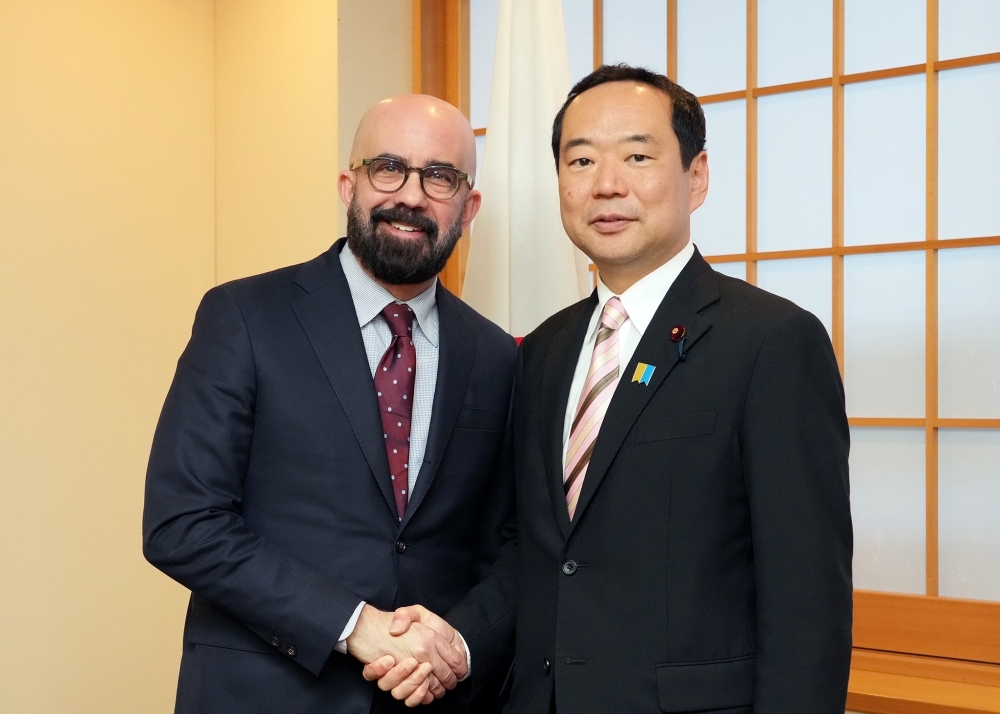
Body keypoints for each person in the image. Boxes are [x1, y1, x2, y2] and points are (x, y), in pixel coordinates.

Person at [370, 64, 853, 713]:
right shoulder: (542, 351)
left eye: (637, 155)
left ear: (697, 176)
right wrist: (457, 642)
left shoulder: (772, 342)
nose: (606, 184)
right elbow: (535, 554)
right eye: (581, 160)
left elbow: (807, 602)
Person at [142, 94, 516, 714]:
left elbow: (505, 544)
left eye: (439, 176)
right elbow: (182, 524)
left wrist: (458, 646)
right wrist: (354, 624)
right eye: (388, 168)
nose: (412, 196)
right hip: (262, 695)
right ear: (349, 186)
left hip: (427, 698)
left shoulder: (497, 356)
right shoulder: (244, 317)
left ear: (468, 207)